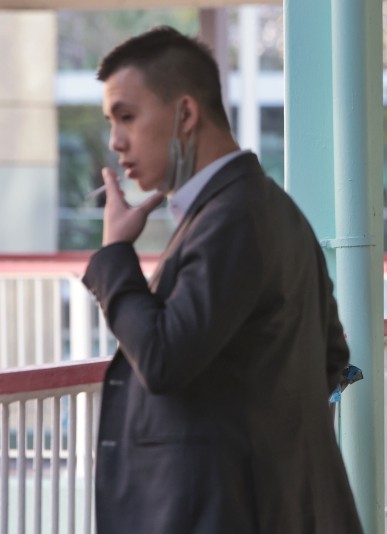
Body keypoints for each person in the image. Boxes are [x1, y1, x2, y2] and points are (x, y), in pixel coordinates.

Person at [82, 26, 362, 534]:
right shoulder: (271, 207)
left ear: (185, 114)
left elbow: (164, 358)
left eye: (127, 116)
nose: (115, 142)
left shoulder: (232, 216)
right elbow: (331, 356)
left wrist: (115, 256)